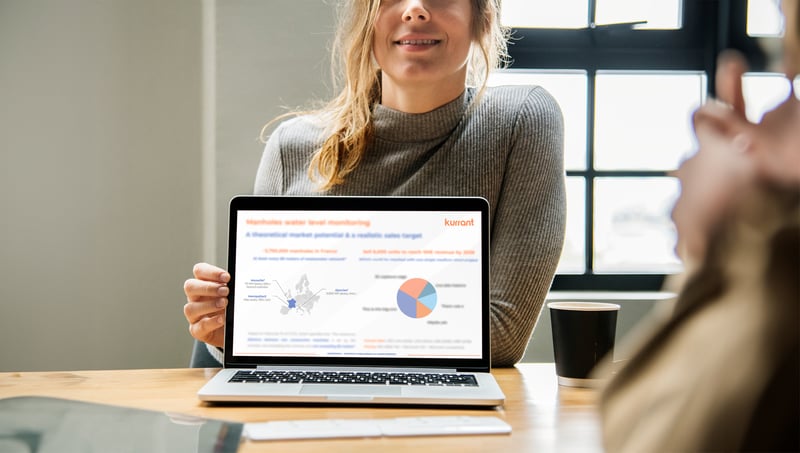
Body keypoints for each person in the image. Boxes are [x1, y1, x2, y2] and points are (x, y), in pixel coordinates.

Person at [183, 0, 566, 367]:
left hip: (442, 419)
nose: (415, 9)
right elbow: (264, 332)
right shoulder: (291, 146)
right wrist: (229, 332)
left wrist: (291, 330)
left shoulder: (521, 121)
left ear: (482, 19)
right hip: (302, 410)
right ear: (367, 21)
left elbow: (501, 334)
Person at [599, 1, 799, 451]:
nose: (772, 116)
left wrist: (729, 231)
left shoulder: (782, 289)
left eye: (794, 70)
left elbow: (650, 431)